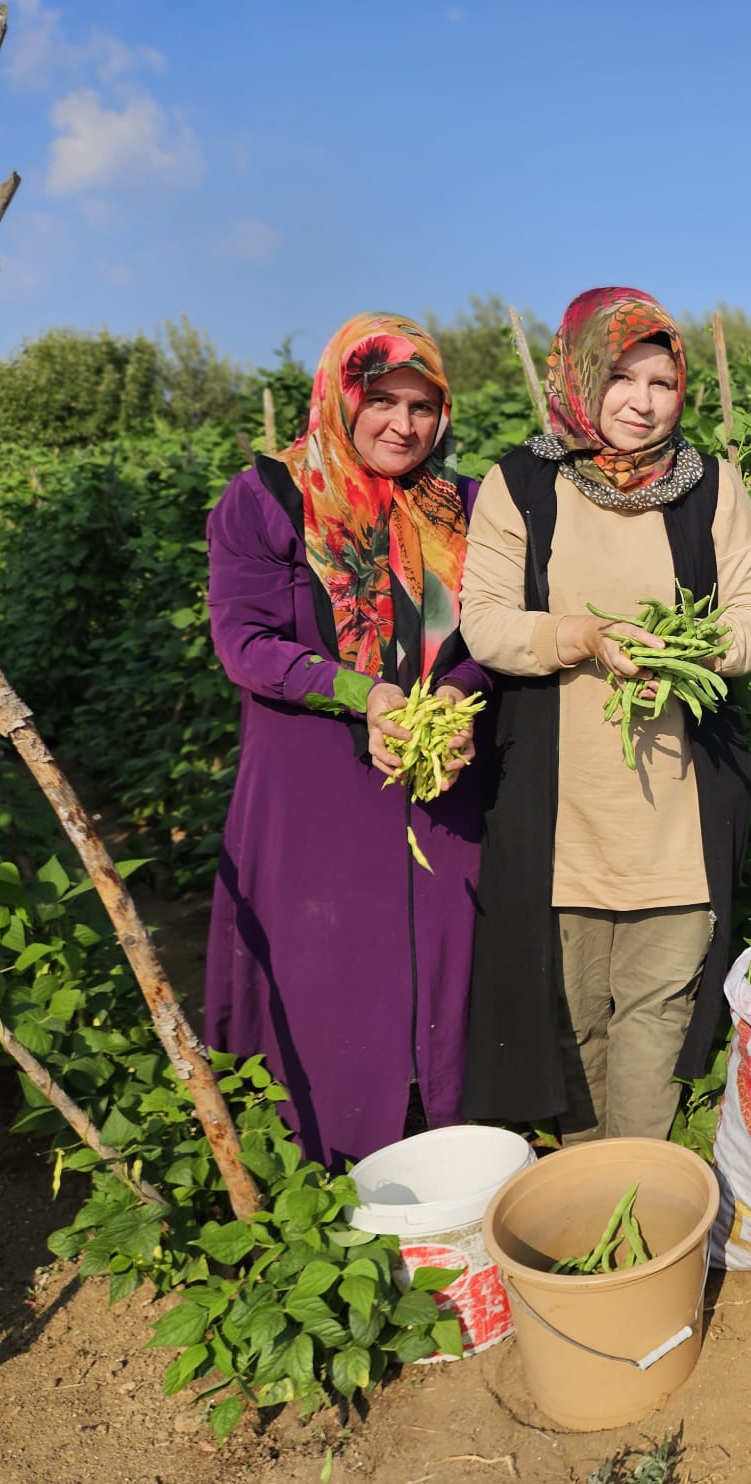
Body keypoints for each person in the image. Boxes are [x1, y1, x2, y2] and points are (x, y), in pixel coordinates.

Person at [460, 287, 751, 1143]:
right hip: (560, 817)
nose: (642, 403)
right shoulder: (520, 484)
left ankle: (639, 1200)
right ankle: (587, 1194)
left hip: (677, 813)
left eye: (662, 383)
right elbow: (483, 621)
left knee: (656, 1016)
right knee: (571, 1021)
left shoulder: (710, 487)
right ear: (579, 375)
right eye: (620, 378)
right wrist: (580, 636)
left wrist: (696, 652)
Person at [206, 314, 489, 1169]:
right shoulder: (265, 499)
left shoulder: (462, 505)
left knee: (446, 974)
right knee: (328, 972)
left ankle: (445, 1155)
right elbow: (244, 641)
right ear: (341, 396)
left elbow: (493, 641)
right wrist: (360, 692)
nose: (404, 425)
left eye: (423, 405)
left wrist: (460, 703)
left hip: (440, 776)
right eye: (382, 400)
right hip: (315, 782)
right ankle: (320, 1169)